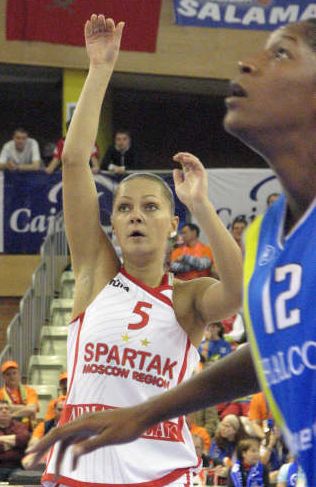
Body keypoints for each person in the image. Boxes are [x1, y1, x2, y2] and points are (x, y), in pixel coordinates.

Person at [28, 14, 316, 487]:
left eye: (148, 207)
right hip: (80, 467)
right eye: (123, 208)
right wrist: (99, 70)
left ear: (173, 224)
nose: (135, 215)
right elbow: (76, 162)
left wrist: (201, 203)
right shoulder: (94, 272)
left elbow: (244, 293)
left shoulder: (189, 297)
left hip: (162, 470)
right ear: (114, 224)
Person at [0, 361, 38, 425]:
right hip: (8, 428)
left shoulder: (30, 391)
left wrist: (11, 413)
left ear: (19, 374)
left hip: (29, 428)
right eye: (8, 374)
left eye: (14, 373)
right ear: (3, 377)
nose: (12, 376)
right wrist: (26, 408)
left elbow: (32, 409)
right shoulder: (1, 393)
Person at [0, 400, 30, 481]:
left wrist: (1, 439)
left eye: (7, 408)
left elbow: (23, 439)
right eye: (1, 409)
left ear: (11, 412)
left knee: (22, 480)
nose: (4, 411)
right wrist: (14, 443)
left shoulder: (19, 426)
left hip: (16, 467)